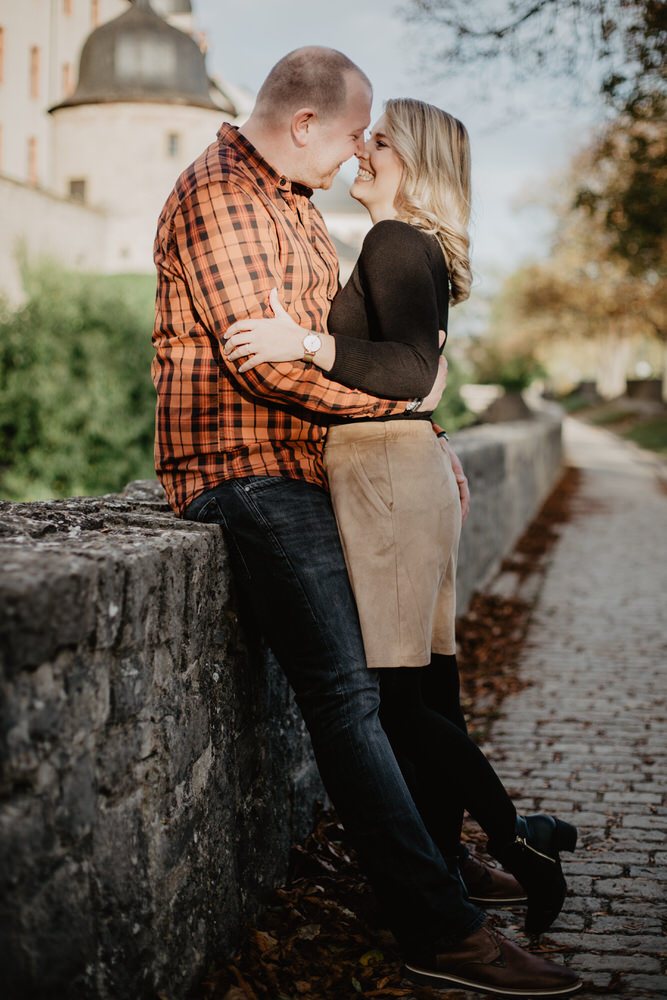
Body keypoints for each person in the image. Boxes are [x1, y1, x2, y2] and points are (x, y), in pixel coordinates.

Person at [152, 47, 581, 996]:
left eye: (371, 142)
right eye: (353, 133)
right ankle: (440, 926)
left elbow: (352, 353)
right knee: (357, 699)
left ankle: (448, 868)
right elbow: (267, 368)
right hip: (248, 471)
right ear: (304, 124)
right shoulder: (222, 195)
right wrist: (408, 415)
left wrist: (417, 426)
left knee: (405, 687)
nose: (357, 154)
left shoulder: (300, 210)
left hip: (314, 469)